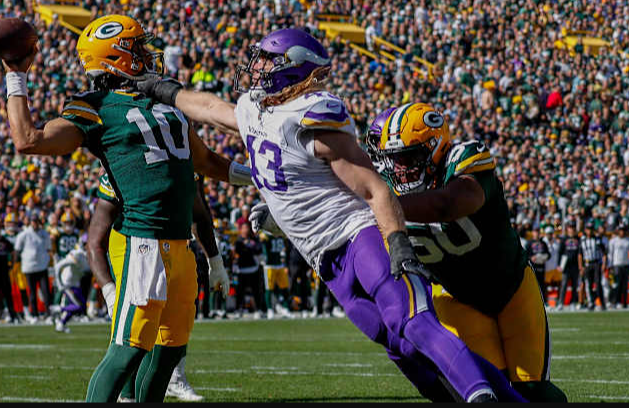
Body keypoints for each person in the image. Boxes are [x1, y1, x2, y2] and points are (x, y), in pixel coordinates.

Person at [139, 28, 525, 402]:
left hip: (359, 237)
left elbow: (374, 188)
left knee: (414, 322)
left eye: (268, 61)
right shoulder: (254, 110)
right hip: (324, 259)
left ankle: (483, 398)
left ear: (293, 67)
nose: (256, 68)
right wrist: (162, 88)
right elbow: (208, 108)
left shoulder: (309, 115)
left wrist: (398, 243)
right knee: (397, 344)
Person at [3, 14, 248, 402]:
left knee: (170, 353)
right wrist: (16, 76)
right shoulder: (96, 107)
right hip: (145, 245)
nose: (148, 54)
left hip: (182, 247)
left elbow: (206, 162)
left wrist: (256, 176)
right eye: (137, 48)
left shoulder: (167, 101)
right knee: (127, 352)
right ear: (118, 58)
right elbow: (29, 140)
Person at [354, 104, 567, 401]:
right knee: (491, 388)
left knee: (533, 389)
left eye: (409, 157)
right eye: (393, 160)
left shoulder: (464, 159)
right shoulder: (385, 186)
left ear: (437, 147)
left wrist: (382, 206)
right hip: (457, 298)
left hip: (511, 287)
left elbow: (451, 203)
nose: (400, 168)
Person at [90, 173, 223, 402]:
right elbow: (95, 240)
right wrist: (108, 290)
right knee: (131, 344)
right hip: (137, 250)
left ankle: (170, 383)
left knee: (170, 347)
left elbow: (199, 214)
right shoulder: (124, 163)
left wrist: (216, 261)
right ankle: (127, 394)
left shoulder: (182, 157)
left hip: (180, 250)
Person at [14, 212, 53, 323]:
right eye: (33, 221)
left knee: (45, 291)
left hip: (42, 266)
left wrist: (49, 261)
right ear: (30, 222)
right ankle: (34, 314)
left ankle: (48, 314)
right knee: (32, 292)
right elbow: (17, 249)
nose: (34, 223)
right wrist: (16, 262)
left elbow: (48, 248)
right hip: (29, 267)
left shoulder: (44, 234)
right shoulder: (24, 234)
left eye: (36, 221)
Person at [50, 243, 90, 333]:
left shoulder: (84, 255)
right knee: (80, 306)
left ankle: (61, 324)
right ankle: (58, 309)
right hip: (69, 284)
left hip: (75, 284)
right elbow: (58, 266)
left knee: (75, 306)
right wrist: (60, 284)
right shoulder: (77, 254)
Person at [232, 222, 265, 319]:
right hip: (241, 270)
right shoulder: (238, 241)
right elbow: (238, 251)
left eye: (247, 228)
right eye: (243, 228)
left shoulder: (254, 240)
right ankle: (238, 310)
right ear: (240, 230)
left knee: (256, 291)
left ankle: (258, 310)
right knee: (240, 292)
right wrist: (247, 247)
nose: (245, 230)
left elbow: (258, 249)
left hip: (253, 269)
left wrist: (250, 246)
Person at [260, 232, 292, 319]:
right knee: (269, 289)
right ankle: (270, 309)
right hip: (269, 265)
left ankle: (285, 308)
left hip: (280, 264)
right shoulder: (266, 235)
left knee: (284, 287)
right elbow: (262, 243)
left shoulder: (281, 235)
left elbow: (284, 248)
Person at [579, 220, 607, 311]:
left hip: (596, 263)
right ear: (585, 230)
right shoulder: (582, 240)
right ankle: (591, 303)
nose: (589, 231)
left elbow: (604, 253)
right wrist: (581, 266)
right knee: (588, 284)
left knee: (598, 284)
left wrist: (604, 264)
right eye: (588, 229)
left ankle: (602, 303)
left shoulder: (597, 239)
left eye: (591, 229)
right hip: (587, 264)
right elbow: (580, 255)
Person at [606, 224, 629, 309]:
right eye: (620, 230)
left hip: (626, 265)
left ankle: (624, 302)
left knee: (624, 285)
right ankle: (614, 301)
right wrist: (609, 265)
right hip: (616, 265)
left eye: (623, 230)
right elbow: (610, 254)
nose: (622, 232)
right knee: (615, 285)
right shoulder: (613, 241)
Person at [557, 224, 582, 311]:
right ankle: (560, 303)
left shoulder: (579, 239)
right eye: (570, 228)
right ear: (567, 229)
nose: (571, 230)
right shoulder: (564, 239)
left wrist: (580, 265)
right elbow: (560, 252)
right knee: (564, 285)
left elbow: (580, 252)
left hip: (575, 265)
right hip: (566, 266)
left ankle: (573, 302)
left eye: (573, 228)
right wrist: (559, 265)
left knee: (575, 285)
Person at [527, 229, 551, 305]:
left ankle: (545, 301)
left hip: (541, 266)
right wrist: (531, 258)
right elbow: (525, 255)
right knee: (533, 285)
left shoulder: (543, 243)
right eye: (535, 232)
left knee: (542, 285)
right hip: (533, 266)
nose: (536, 233)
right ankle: (532, 302)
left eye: (538, 232)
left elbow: (548, 254)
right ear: (533, 233)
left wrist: (544, 257)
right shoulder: (529, 243)